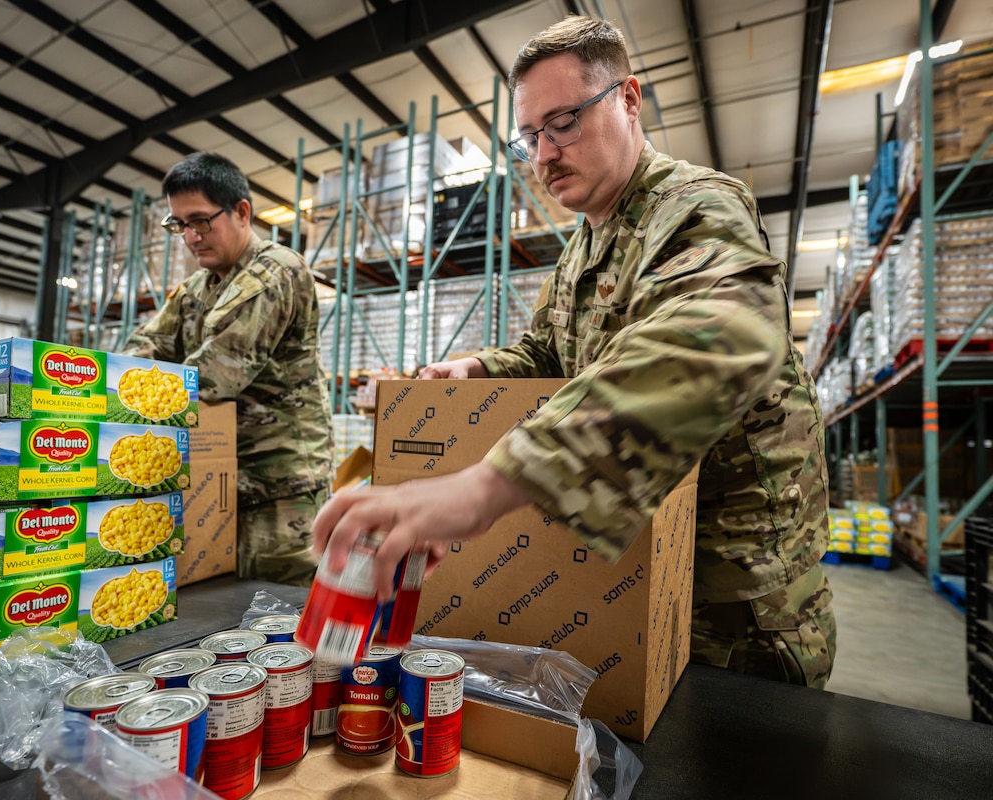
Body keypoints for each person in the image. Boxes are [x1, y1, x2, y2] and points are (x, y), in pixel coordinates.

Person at [312, 16, 835, 688]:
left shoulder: (694, 205)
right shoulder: (581, 251)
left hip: (737, 600)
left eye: (562, 123)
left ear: (628, 99)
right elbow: (549, 353)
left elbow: (726, 329)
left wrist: (485, 487)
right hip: (641, 569)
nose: (544, 156)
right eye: (529, 137)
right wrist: (478, 367)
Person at [124, 152, 333, 587]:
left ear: (241, 212)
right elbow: (144, 347)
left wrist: (122, 411)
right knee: (222, 610)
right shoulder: (196, 288)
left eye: (200, 221)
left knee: (279, 610)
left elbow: (216, 374)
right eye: (179, 224)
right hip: (217, 481)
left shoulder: (276, 271)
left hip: (279, 488)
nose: (190, 237)